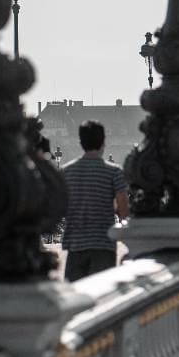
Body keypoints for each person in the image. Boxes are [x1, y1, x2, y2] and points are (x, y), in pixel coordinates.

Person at [62, 121, 129, 282]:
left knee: (76, 298)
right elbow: (123, 208)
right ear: (103, 142)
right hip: (103, 244)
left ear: (81, 142)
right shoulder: (114, 172)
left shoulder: (66, 171)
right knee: (102, 295)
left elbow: (60, 206)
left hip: (75, 243)